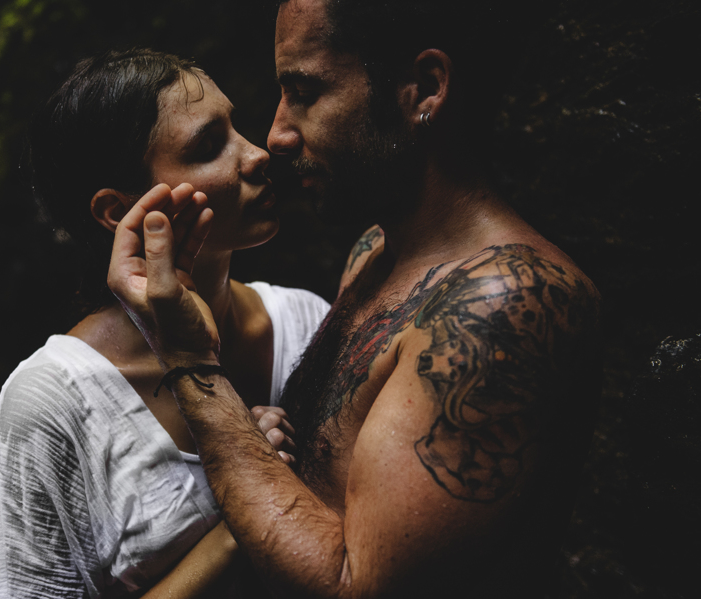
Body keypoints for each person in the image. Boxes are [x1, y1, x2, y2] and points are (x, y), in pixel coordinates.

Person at [106, 1, 603, 597]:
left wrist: (191, 362)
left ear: (424, 88)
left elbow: (354, 584)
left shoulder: (507, 302)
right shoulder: (373, 253)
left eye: (305, 92)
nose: (277, 135)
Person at [0, 48, 330, 598]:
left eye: (236, 128)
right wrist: (242, 518)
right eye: (209, 147)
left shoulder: (309, 323)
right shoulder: (54, 403)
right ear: (120, 211)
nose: (257, 154)